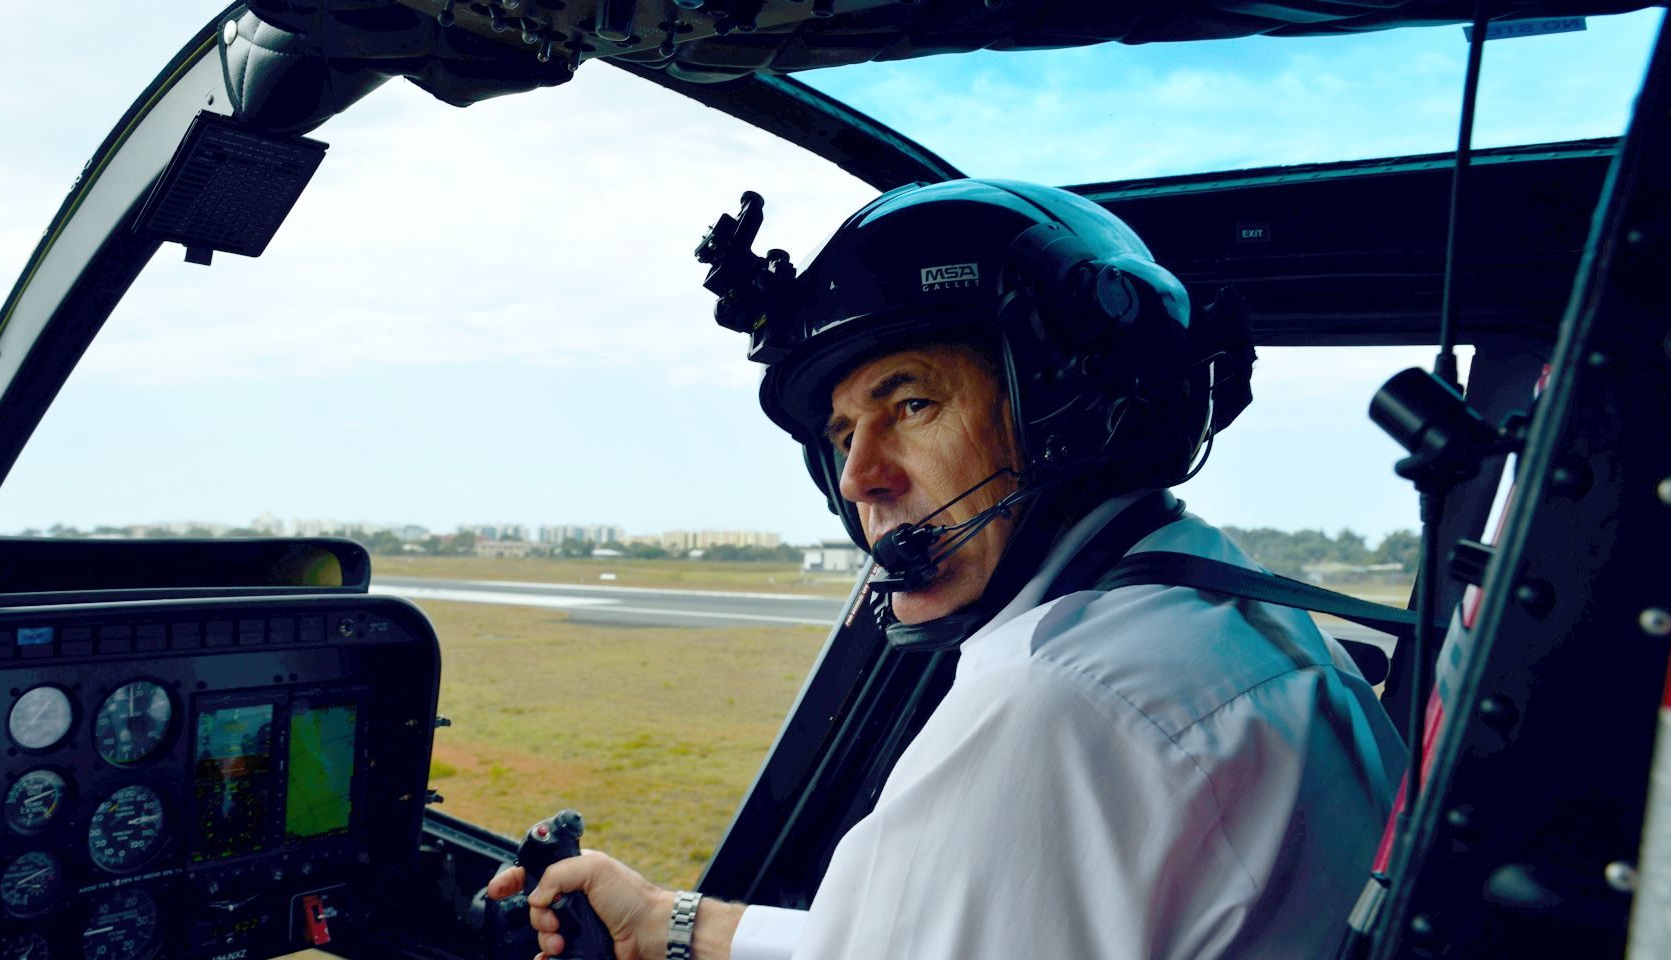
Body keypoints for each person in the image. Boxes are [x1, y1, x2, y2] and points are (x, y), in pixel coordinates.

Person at [485, 179, 1405, 960]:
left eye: (912, 404)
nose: (860, 477)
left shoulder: (1067, 703)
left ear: (1072, 408)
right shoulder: (1205, 621)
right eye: (842, 434)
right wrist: (665, 922)